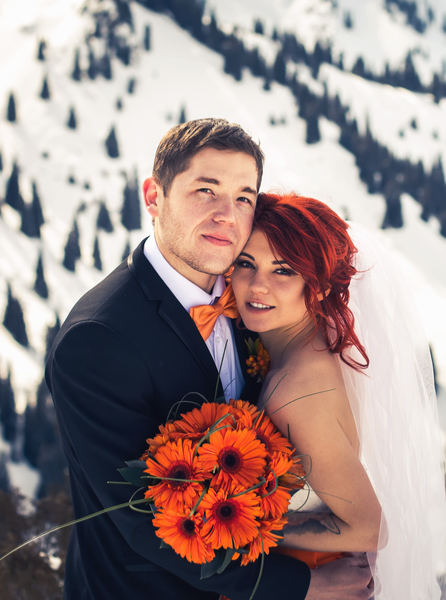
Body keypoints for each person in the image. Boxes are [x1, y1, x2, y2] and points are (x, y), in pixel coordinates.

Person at [45, 119, 375, 600]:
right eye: (207, 190)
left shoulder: (253, 299)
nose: (229, 215)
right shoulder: (97, 340)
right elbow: (145, 523)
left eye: (244, 196)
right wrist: (297, 584)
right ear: (154, 197)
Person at [229, 192, 446, 600]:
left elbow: (370, 527)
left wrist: (237, 524)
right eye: (246, 263)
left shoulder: (292, 392)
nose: (257, 285)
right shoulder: (319, 338)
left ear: (315, 287)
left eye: (283, 271)